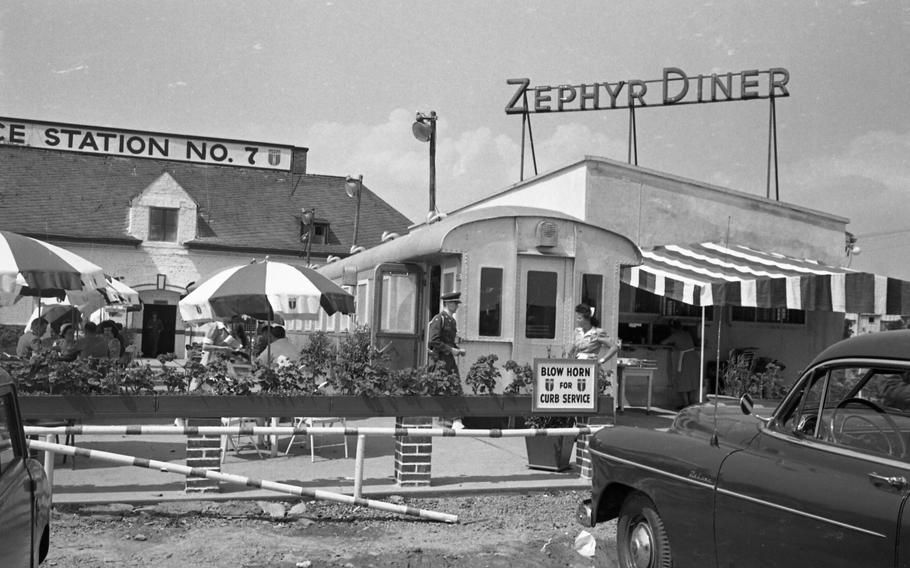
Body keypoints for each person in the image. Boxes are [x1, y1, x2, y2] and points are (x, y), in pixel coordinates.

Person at [427, 291, 466, 429]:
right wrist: (451, 350)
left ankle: (454, 419)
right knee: (440, 387)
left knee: (454, 386)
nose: (457, 306)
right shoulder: (439, 319)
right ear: (448, 303)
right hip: (439, 360)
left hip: (448, 359)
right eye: (455, 303)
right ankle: (447, 419)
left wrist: (457, 350)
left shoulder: (452, 321)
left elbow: (448, 341)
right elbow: (433, 341)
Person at [660, 319, 698, 408]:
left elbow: (663, 342)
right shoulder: (686, 333)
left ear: (673, 328)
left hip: (685, 359)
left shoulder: (675, 335)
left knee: (683, 381)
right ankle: (690, 402)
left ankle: (686, 403)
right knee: (691, 380)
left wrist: (673, 346)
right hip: (694, 357)